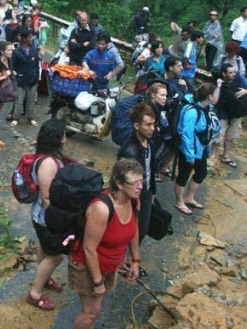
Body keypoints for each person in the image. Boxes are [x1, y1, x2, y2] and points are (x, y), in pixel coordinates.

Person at [68, 158, 143, 328]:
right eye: (135, 182)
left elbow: (134, 230)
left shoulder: (134, 199)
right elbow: (89, 248)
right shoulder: (101, 209)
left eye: (141, 181)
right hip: (87, 265)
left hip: (110, 264)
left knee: (95, 309)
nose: (140, 187)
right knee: (91, 312)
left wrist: (135, 260)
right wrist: (97, 282)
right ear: (119, 183)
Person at [26, 119, 71, 311]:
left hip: (42, 217)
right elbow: (46, 197)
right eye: (64, 133)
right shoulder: (49, 163)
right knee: (56, 256)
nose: (66, 137)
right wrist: (59, 223)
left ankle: (44, 278)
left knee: (45, 250)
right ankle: (34, 295)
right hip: (45, 218)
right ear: (58, 138)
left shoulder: (50, 157)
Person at [117, 103, 158, 276]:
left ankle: (127, 259)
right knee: (129, 231)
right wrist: (136, 200)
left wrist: (152, 190)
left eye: (153, 124)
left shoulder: (148, 142)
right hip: (134, 196)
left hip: (146, 192)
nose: (152, 129)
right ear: (136, 126)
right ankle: (122, 262)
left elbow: (150, 169)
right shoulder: (129, 150)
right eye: (148, 125)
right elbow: (125, 180)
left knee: (142, 229)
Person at [174, 82, 220, 215]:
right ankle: (179, 201)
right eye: (215, 93)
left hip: (201, 149)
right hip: (188, 150)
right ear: (209, 96)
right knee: (183, 174)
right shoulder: (192, 112)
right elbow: (186, 134)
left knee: (201, 173)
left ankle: (189, 197)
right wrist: (189, 155)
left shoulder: (207, 108)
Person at [214, 63, 247, 168]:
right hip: (222, 113)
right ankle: (212, 155)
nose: (233, 74)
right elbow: (214, 100)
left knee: (231, 136)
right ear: (224, 73)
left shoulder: (239, 77)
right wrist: (218, 86)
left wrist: (245, 92)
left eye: (234, 72)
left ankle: (226, 155)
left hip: (236, 112)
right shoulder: (218, 81)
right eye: (230, 72)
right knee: (218, 135)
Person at [9, 29, 40, 126]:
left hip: (32, 79)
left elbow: (36, 65)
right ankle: (16, 118)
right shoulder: (17, 52)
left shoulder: (34, 49)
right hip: (21, 80)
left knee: (31, 100)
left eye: (32, 37)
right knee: (19, 100)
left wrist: (36, 77)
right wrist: (16, 77)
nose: (32, 39)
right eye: (30, 37)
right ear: (23, 39)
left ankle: (30, 117)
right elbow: (13, 66)